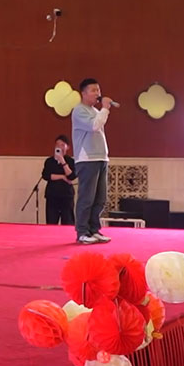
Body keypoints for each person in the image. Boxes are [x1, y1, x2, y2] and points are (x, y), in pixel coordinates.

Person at [72, 78, 114, 244]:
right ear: (83, 93)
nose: (97, 93)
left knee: (100, 198)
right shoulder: (79, 111)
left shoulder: (96, 111)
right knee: (87, 198)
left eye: (98, 90)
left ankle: (94, 230)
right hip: (87, 158)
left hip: (101, 157)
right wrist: (105, 108)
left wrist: (102, 110)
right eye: (93, 90)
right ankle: (82, 232)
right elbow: (94, 126)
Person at [41, 135, 76, 225]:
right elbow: (46, 175)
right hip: (52, 195)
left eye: (62, 145)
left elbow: (71, 176)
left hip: (66, 196)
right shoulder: (49, 161)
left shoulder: (71, 161)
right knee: (51, 222)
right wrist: (62, 177)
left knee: (68, 222)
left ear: (67, 147)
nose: (59, 147)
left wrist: (62, 161)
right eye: (57, 144)